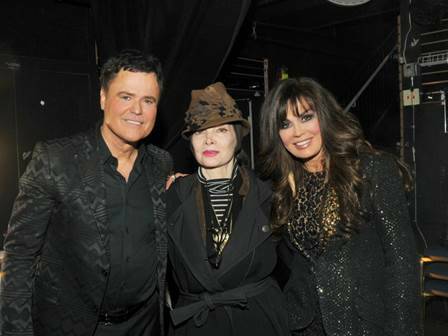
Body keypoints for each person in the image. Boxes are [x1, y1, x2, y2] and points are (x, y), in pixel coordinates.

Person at [0, 49, 172, 336]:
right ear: (103, 98)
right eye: (126, 97)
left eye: (148, 100)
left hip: (145, 325)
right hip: (74, 328)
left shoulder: (161, 164)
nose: (137, 111)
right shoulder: (55, 161)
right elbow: (19, 258)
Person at [259, 77, 421, 336]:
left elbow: (402, 263)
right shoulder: (283, 186)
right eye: (285, 124)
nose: (297, 132)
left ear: (325, 116)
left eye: (306, 117)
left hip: (365, 323)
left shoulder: (371, 170)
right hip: (304, 324)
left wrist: (401, 330)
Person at [166, 82, 289, 336]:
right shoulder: (171, 197)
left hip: (258, 321)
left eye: (221, 130)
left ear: (237, 138)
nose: (209, 138)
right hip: (197, 326)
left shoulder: (269, 195)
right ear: (191, 142)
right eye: (200, 132)